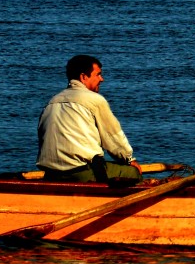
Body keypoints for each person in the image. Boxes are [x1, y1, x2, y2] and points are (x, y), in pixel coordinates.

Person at [36, 55, 142, 185]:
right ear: (83, 77)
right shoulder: (94, 100)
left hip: (51, 174)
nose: (101, 79)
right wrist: (129, 160)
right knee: (133, 174)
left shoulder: (51, 102)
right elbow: (113, 137)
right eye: (98, 75)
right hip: (81, 172)